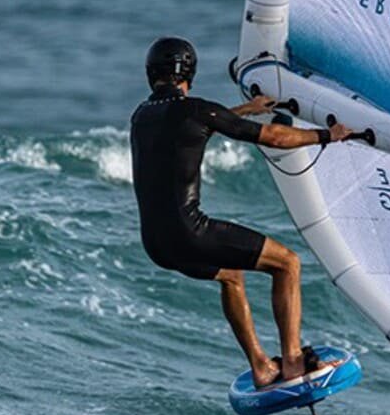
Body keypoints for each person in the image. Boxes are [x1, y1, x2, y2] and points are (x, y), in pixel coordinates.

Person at [131, 37, 351, 387]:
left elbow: (191, 127)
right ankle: (293, 362)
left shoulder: (142, 116)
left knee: (231, 276)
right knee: (288, 263)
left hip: (156, 244)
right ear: (190, 73)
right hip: (191, 232)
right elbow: (274, 138)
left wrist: (244, 111)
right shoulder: (196, 111)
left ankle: (263, 366)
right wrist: (328, 135)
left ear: (150, 75)